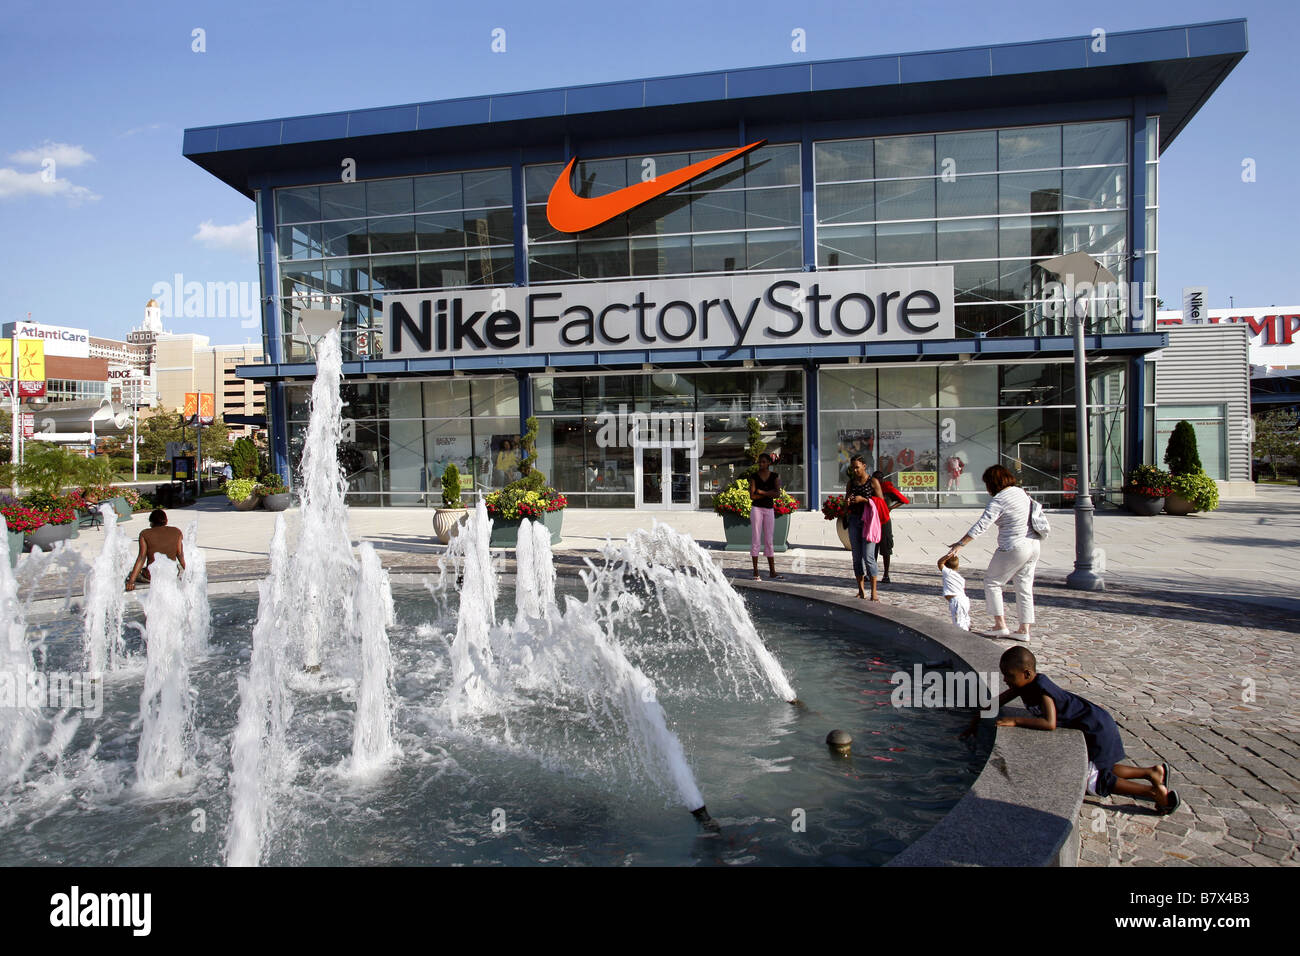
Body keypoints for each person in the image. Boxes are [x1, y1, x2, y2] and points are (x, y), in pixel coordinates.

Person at [965, 647, 1179, 814]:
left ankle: (1153, 793)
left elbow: (1049, 723)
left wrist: (1015, 721)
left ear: (1027, 673)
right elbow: (999, 700)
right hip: (1096, 724)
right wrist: (976, 720)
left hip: (1095, 728)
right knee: (1105, 768)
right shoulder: (1023, 685)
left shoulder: (1042, 690)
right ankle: (1152, 772)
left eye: (1009, 676)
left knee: (1094, 781)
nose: (1005, 680)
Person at [942, 464, 1040, 641]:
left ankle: (1000, 625)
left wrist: (960, 544)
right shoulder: (1020, 493)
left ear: (992, 483)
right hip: (1033, 544)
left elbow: (982, 524)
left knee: (992, 582)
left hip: (1013, 546)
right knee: (1024, 587)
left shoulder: (1000, 499)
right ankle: (1024, 629)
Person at [844, 456, 886, 601]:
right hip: (855, 520)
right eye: (853, 468)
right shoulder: (851, 483)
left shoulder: (872, 482)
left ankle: (874, 592)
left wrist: (865, 500)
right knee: (856, 557)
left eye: (857, 467)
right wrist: (848, 503)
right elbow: (846, 500)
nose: (855, 470)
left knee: (868, 557)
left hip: (869, 522)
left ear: (864, 466)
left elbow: (881, 503)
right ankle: (861, 590)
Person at [125, 509, 186, 591]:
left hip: (152, 577)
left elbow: (141, 558)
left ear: (151, 522)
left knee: (129, 574)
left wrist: (131, 581)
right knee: (176, 568)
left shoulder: (144, 534)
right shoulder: (176, 531)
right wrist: (190, 573)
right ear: (166, 521)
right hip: (171, 574)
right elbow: (180, 555)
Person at [748, 453, 783, 581]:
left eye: (763, 462)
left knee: (769, 540)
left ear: (769, 463)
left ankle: (772, 571)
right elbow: (752, 496)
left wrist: (762, 492)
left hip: (769, 510)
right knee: (756, 538)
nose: (761, 464)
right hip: (756, 509)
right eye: (760, 462)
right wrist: (769, 494)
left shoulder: (775, 476)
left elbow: (777, 494)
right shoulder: (754, 477)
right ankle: (755, 571)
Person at [872, 469, 909, 584]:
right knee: (872, 549)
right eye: (876, 478)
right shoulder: (870, 489)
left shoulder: (887, 489)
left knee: (886, 548)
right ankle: (871, 573)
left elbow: (903, 500)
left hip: (884, 521)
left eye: (880, 478)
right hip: (872, 521)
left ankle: (886, 574)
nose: (878, 480)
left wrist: (891, 508)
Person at [937, 552, 970, 631]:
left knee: (959, 624)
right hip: (964, 600)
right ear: (958, 566)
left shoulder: (948, 573)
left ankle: (962, 638)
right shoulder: (959, 578)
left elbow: (939, 562)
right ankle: (967, 630)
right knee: (964, 620)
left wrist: (948, 555)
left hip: (956, 601)